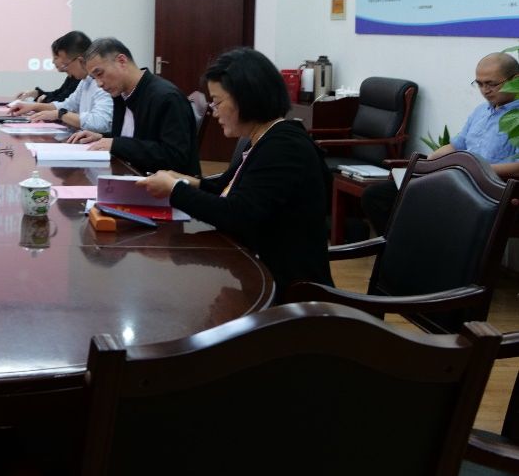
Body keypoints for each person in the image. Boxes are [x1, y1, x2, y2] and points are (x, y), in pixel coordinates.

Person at [137, 48, 333, 294]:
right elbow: (227, 188)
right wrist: (189, 182)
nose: (214, 111)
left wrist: (175, 190)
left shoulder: (284, 147)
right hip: (254, 268)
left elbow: (237, 214)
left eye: (217, 101)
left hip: (288, 290)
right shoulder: (265, 137)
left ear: (246, 98)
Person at [361, 51, 519, 234]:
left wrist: (473, 170)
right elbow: (455, 146)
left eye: (492, 84)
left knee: (425, 205)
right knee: (377, 196)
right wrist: (428, 163)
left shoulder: (515, 117)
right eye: (480, 84)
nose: (485, 90)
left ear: (515, 79)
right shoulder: (481, 111)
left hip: (489, 188)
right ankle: (400, 247)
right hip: (459, 179)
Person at [69, 37, 199, 175]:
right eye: (94, 78)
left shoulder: (166, 97)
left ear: (122, 61)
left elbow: (175, 157)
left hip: (160, 183)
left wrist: (116, 144)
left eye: (100, 74)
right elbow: (133, 136)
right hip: (131, 175)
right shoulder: (120, 94)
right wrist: (101, 137)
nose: (99, 84)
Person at [9, 31, 112, 133]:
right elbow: (67, 105)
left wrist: (60, 114)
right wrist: (33, 106)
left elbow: (100, 123)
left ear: (80, 61)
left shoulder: (102, 83)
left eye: (66, 64)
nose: (65, 69)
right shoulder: (84, 82)